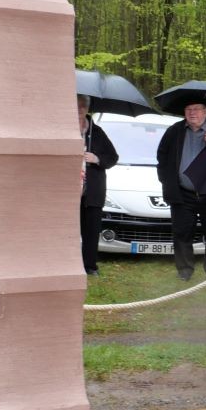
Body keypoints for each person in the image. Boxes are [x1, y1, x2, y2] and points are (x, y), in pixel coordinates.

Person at [156, 102, 206, 280]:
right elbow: (162, 156)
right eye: (188, 109)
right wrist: (167, 181)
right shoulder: (175, 131)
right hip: (183, 193)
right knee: (182, 233)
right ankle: (185, 270)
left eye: (196, 109)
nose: (192, 113)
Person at [76, 96, 118, 277]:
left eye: (83, 106)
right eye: (76, 106)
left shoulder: (97, 132)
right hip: (68, 190)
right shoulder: (63, 129)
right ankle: (70, 264)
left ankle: (90, 265)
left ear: (87, 109)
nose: (79, 109)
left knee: (91, 230)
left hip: (92, 191)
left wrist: (96, 159)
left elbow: (113, 157)